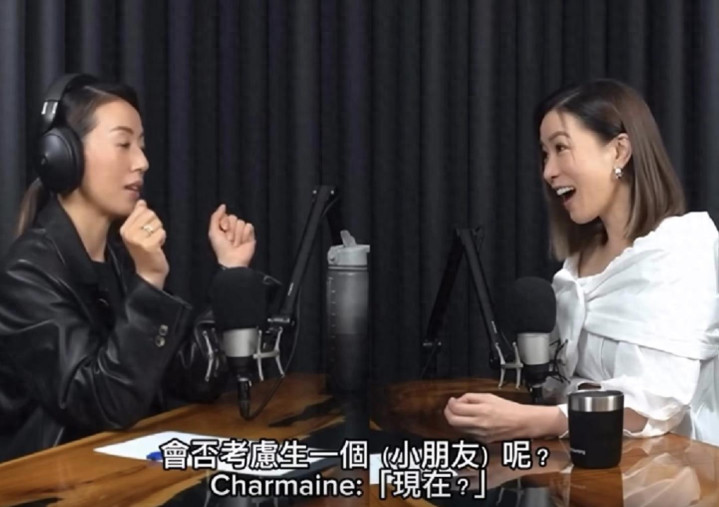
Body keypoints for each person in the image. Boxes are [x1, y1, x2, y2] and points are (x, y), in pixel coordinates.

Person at [444, 79, 719, 446]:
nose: (548, 171)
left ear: (619, 151)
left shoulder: (680, 251)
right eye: (545, 154)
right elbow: (562, 386)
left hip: (678, 471)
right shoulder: (575, 268)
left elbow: (656, 406)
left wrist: (532, 421)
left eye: (561, 148)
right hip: (589, 466)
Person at [0, 74, 258, 461]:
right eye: (123, 144)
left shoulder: (121, 261)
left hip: (119, 473)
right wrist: (150, 281)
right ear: (64, 154)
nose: (142, 162)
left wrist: (230, 271)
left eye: (142, 146)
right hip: (54, 481)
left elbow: (197, 379)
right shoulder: (26, 274)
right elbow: (104, 404)